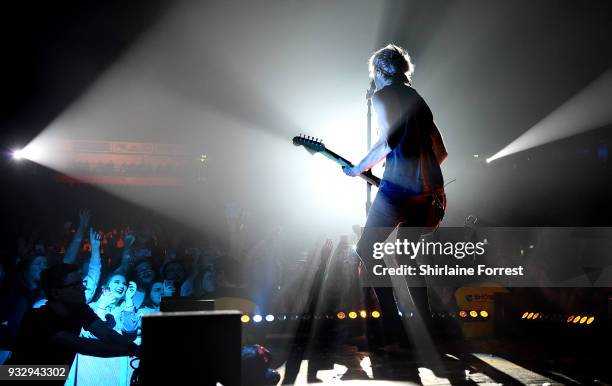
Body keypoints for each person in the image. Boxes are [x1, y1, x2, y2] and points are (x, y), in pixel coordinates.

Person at [343, 44, 448, 348]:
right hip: (429, 191)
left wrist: (358, 168)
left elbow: (388, 140)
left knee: (366, 248)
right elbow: (440, 151)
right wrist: (420, 179)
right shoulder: (418, 99)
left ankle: (393, 326)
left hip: (398, 191)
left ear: (378, 71)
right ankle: (426, 325)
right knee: (407, 254)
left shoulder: (382, 96)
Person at [7, 264, 137, 377]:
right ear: (56, 293)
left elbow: (105, 332)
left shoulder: (80, 309)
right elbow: (84, 345)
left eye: (81, 283)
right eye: (75, 285)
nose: (83, 288)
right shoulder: (39, 318)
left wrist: (136, 349)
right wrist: (133, 351)